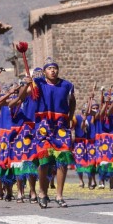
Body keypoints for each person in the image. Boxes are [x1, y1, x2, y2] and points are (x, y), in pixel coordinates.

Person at [17, 57, 76, 208]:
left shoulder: (67, 85)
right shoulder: (38, 84)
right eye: (49, 68)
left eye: (55, 68)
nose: (53, 70)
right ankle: (42, 192)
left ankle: (59, 195)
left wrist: (70, 118)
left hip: (61, 126)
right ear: (44, 72)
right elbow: (21, 97)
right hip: (43, 126)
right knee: (43, 160)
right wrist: (26, 83)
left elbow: (72, 101)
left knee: (62, 161)